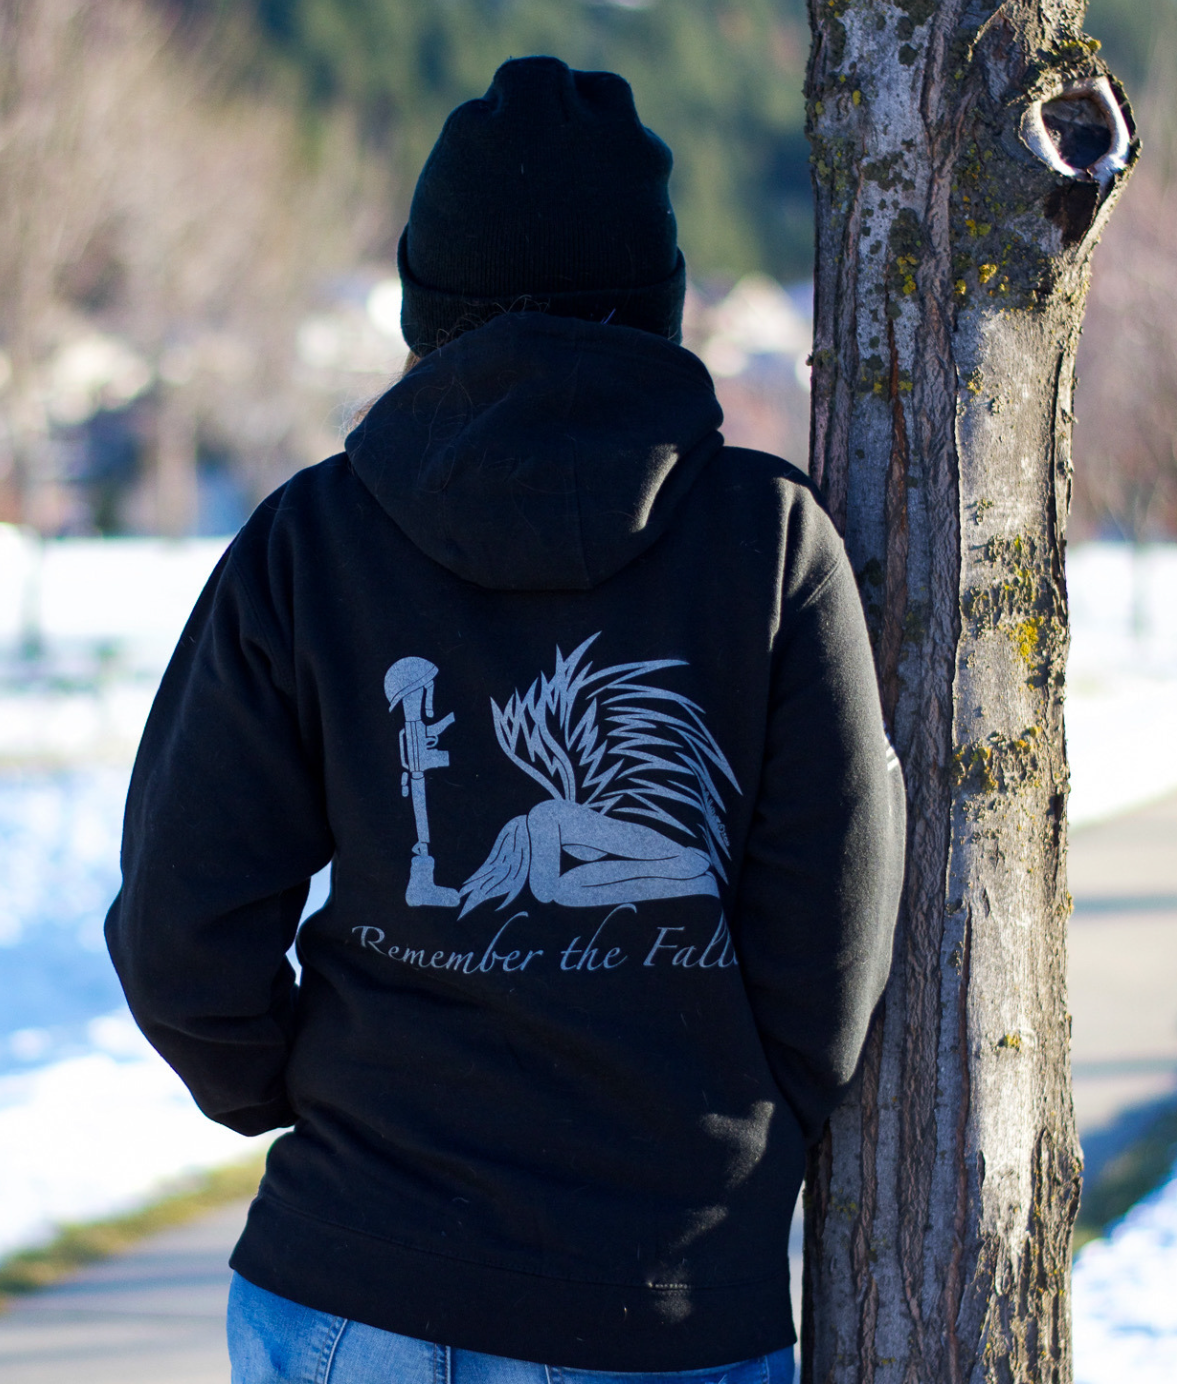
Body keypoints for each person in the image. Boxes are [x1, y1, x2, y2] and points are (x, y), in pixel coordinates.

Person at [106, 55, 905, 1384]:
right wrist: (716, 1139)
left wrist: (289, 1088)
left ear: (429, 301)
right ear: (655, 304)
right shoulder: (766, 544)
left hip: (350, 1279)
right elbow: (827, 936)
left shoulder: (314, 542)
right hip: (656, 1302)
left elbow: (181, 925)